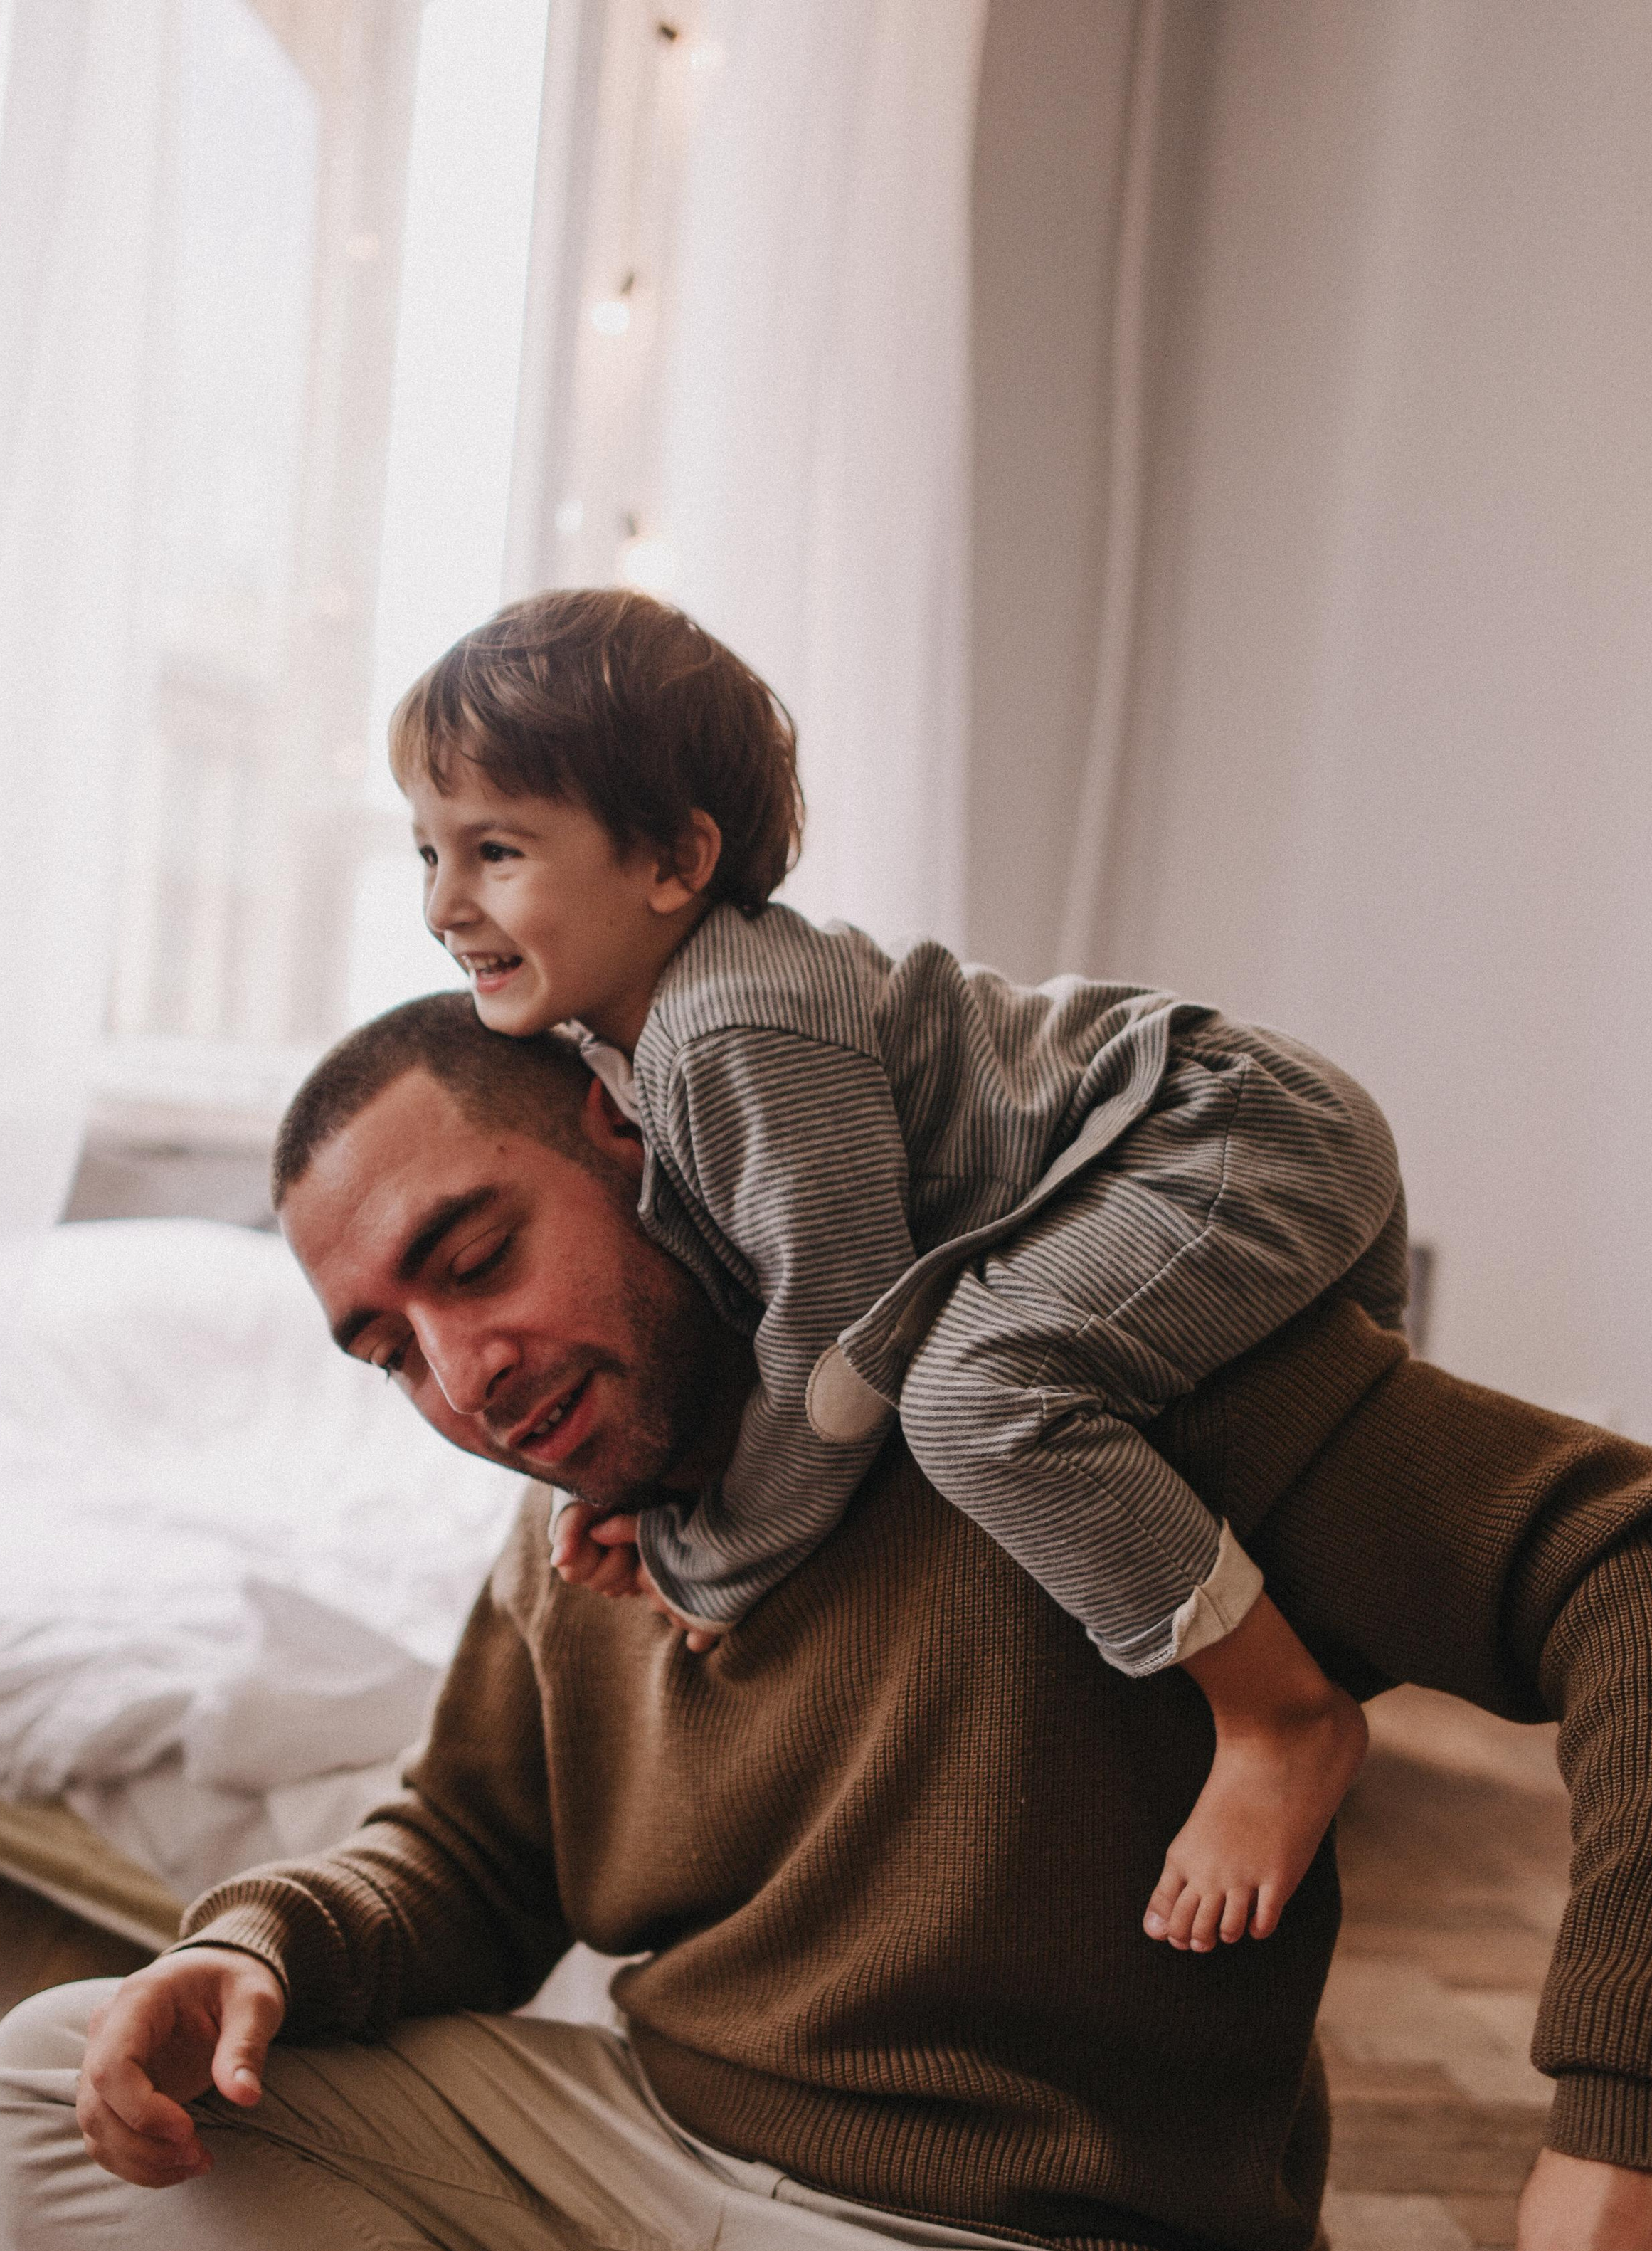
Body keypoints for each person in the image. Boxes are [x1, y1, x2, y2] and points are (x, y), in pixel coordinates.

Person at [0, 999, 1652, 2251]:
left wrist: (1612, 2111)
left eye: (473, 1261)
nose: (463, 1381)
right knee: (40, 2089)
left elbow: (1623, 1565)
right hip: (641, 2165)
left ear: (642, 1139)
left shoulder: (1082, 1383)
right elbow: (460, 1854)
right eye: (388, 1351)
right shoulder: (574, 1542)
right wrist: (257, 1953)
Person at [387, 588, 1404, 1955]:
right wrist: (655, 1490)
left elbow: (832, 1340)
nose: (446, 904)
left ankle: (1281, 1711)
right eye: (427, 854)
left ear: (675, 861)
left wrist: (715, 1559)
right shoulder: (634, 1043)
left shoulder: (729, 1023)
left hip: (1225, 1132)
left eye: (495, 851)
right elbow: (745, 1301)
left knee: (972, 1394)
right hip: (1204, 1135)